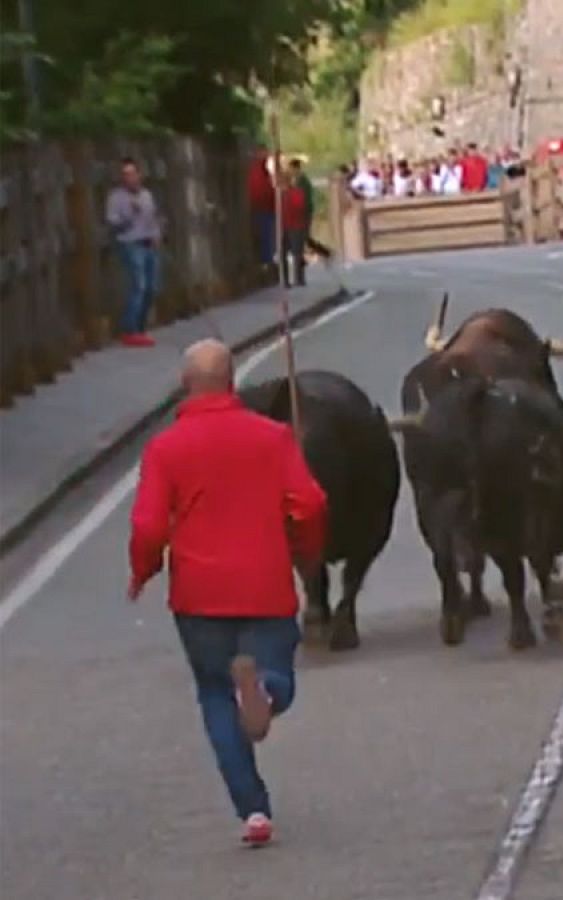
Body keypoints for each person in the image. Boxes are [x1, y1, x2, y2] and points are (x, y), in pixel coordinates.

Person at [127, 338, 327, 848]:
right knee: (278, 671)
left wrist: (143, 570)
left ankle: (253, 811)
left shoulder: (165, 448)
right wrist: (306, 549)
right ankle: (267, 691)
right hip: (265, 583)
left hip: (198, 596)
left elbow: (149, 526)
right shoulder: (273, 436)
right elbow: (309, 500)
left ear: (185, 385)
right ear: (232, 380)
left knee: (215, 693)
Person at [104, 158, 163, 348]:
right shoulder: (116, 197)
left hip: (148, 244)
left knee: (152, 287)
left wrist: (156, 235)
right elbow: (113, 223)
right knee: (139, 285)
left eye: (131, 173)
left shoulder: (146, 195)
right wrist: (130, 215)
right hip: (130, 243)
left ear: (139, 175)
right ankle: (130, 330)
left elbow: (152, 218)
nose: (128, 178)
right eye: (125, 174)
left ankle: (140, 326)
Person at [247, 148, 277, 274]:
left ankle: (268, 260)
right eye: (264, 153)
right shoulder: (258, 171)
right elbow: (259, 191)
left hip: (266, 208)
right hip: (262, 209)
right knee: (265, 236)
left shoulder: (263, 170)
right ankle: (266, 261)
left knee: (268, 236)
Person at [278, 168, 309, 287]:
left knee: (297, 253)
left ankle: (299, 279)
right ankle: (285, 280)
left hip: (295, 226)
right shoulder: (277, 194)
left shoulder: (296, 193)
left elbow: (300, 208)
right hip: (283, 226)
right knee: (283, 254)